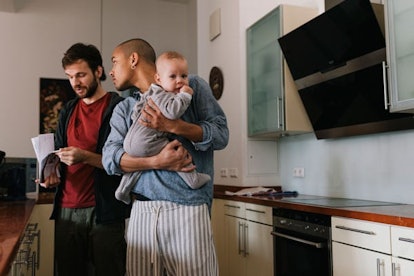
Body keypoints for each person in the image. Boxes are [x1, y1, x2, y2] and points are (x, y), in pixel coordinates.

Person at [102, 38, 229, 276]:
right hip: (141, 212)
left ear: (133, 59)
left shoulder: (191, 87)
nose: (111, 70)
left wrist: (175, 125)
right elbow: (109, 159)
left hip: (188, 209)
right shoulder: (125, 108)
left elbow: (221, 135)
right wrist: (156, 162)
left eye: (114, 61)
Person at [41, 43, 129, 276]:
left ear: (98, 71)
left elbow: (124, 163)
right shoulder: (67, 110)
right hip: (66, 211)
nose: (75, 83)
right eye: (70, 77)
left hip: (105, 211)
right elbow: (57, 158)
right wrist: (49, 175)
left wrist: (85, 157)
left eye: (81, 75)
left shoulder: (118, 107)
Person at [115, 50, 211, 204]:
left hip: (131, 143)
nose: (180, 81)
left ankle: (123, 188)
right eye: (173, 76)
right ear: (158, 79)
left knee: (140, 163)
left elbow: (136, 111)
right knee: (176, 151)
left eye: (184, 76)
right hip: (145, 141)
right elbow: (172, 112)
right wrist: (185, 95)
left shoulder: (150, 94)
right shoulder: (163, 94)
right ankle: (192, 177)